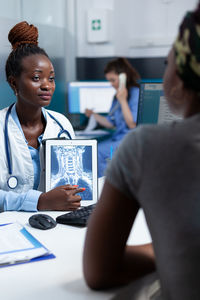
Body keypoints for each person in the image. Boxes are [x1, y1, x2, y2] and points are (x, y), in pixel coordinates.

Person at [83, 2, 200, 299]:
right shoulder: (114, 101)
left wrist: (170, 250)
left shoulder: (145, 145)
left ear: (182, 72)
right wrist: (94, 115)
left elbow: (100, 270)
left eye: (167, 62)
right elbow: (110, 122)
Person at [0, 21, 84, 212]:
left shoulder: (62, 124)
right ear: (14, 84)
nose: (47, 85)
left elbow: (73, 183)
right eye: (37, 78)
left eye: (51, 78)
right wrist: (39, 202)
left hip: (55, 224)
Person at [85, 57, 140, 177]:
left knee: (98, 151)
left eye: (113, 80)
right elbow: (110, 123)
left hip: (131, 139)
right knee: (92, 148)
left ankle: (104, 188)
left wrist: (123, 100)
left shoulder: (136, 93)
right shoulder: (116, 97)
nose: (111, 84)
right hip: (118, 138)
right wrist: (94, 115)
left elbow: (132, 124)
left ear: (123, 77)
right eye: (109, 81)